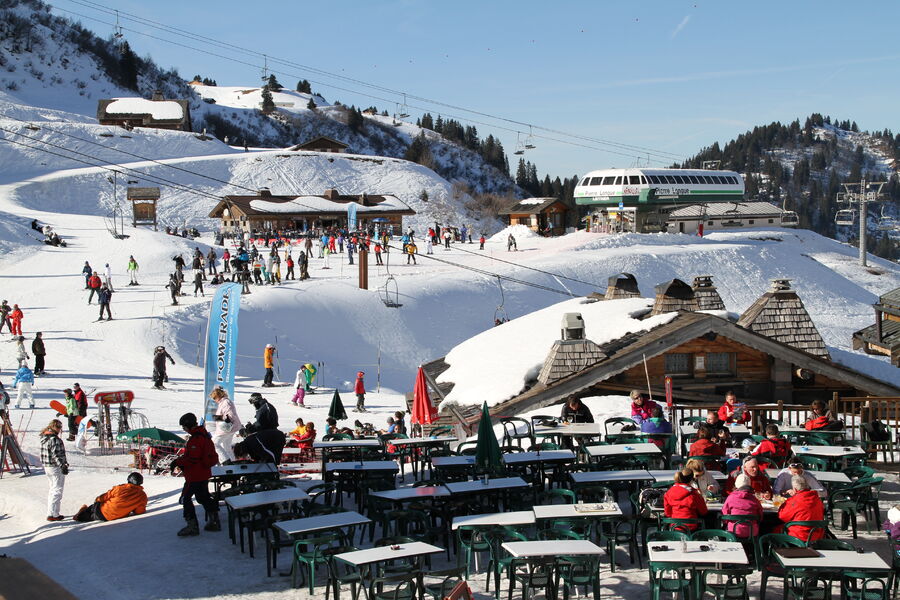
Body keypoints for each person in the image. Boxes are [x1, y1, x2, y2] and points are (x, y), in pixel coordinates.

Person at [172, 412, 220, 536]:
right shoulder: (204, 434)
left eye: (184, 427)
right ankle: (214, 520)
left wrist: (177, 461)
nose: (184, 429)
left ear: (188, 425)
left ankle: (192, 526)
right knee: (202, 497)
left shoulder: (195, 439)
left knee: (185, 498)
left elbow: (193, 459)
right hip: (204, 473)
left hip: (195, 475)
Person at [73, 472, 148, 522]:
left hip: (101, 510)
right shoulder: (142, 496)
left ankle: (82, 512)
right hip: (115, 516)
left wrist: (97, 500)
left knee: (83, 516)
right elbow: (139, 511)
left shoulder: (120, 488)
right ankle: (86, 511)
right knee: (92, 516)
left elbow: (104, 497)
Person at [777, 475, 825, 542]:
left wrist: (790, 499)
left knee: (773, 529)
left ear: (795, 489)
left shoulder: (795, 500)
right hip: (817, 535)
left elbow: (782, 516)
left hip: (799, 535)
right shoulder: (817, 499)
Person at [41, 419, 68, 521]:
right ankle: (54, 514)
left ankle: (51, 512)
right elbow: (56, 455)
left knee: (52, 489)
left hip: (48, 467)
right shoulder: (54, 439)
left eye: (60, 427)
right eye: (58, 427)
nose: (60, 429)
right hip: (55, 467)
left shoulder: (44, 438)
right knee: (57, 490)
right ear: (53, 427)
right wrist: (62, 466)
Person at [721, 474, 763, 538]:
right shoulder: (754, 499)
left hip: (734, 531)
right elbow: (760, 516)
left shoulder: (731, 498)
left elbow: (725, 514)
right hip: (752, 532)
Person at [210, 386, 241, 463]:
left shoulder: (226, 402)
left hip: (227, 428)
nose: (215, 400)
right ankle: (233, 462)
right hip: (230, 428)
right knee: (227, 446)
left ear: (218, 396)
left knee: (213, 444)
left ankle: (226, 462)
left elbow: (230, 415)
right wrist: (218, 418)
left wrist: (220, 418)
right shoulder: (224, 402)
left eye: (214, 398)